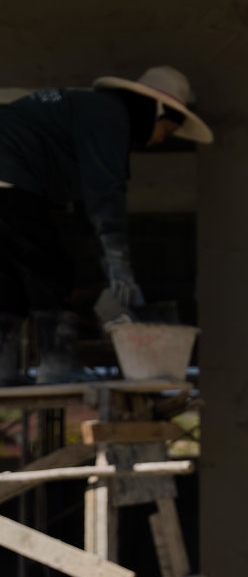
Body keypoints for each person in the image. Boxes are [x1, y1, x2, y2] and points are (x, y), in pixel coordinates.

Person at [0, 66, 213, 384]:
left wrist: (101, 267)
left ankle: (2, 371)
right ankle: (58, 366)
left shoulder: (83, 111)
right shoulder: (110, 117)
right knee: (51, 269)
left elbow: (84, 208)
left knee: (8, 279)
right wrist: (119, 268)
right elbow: (105, 196)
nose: (158, 141)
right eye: (165, 131)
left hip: (11, 182)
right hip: (11, 180)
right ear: (157, 111)